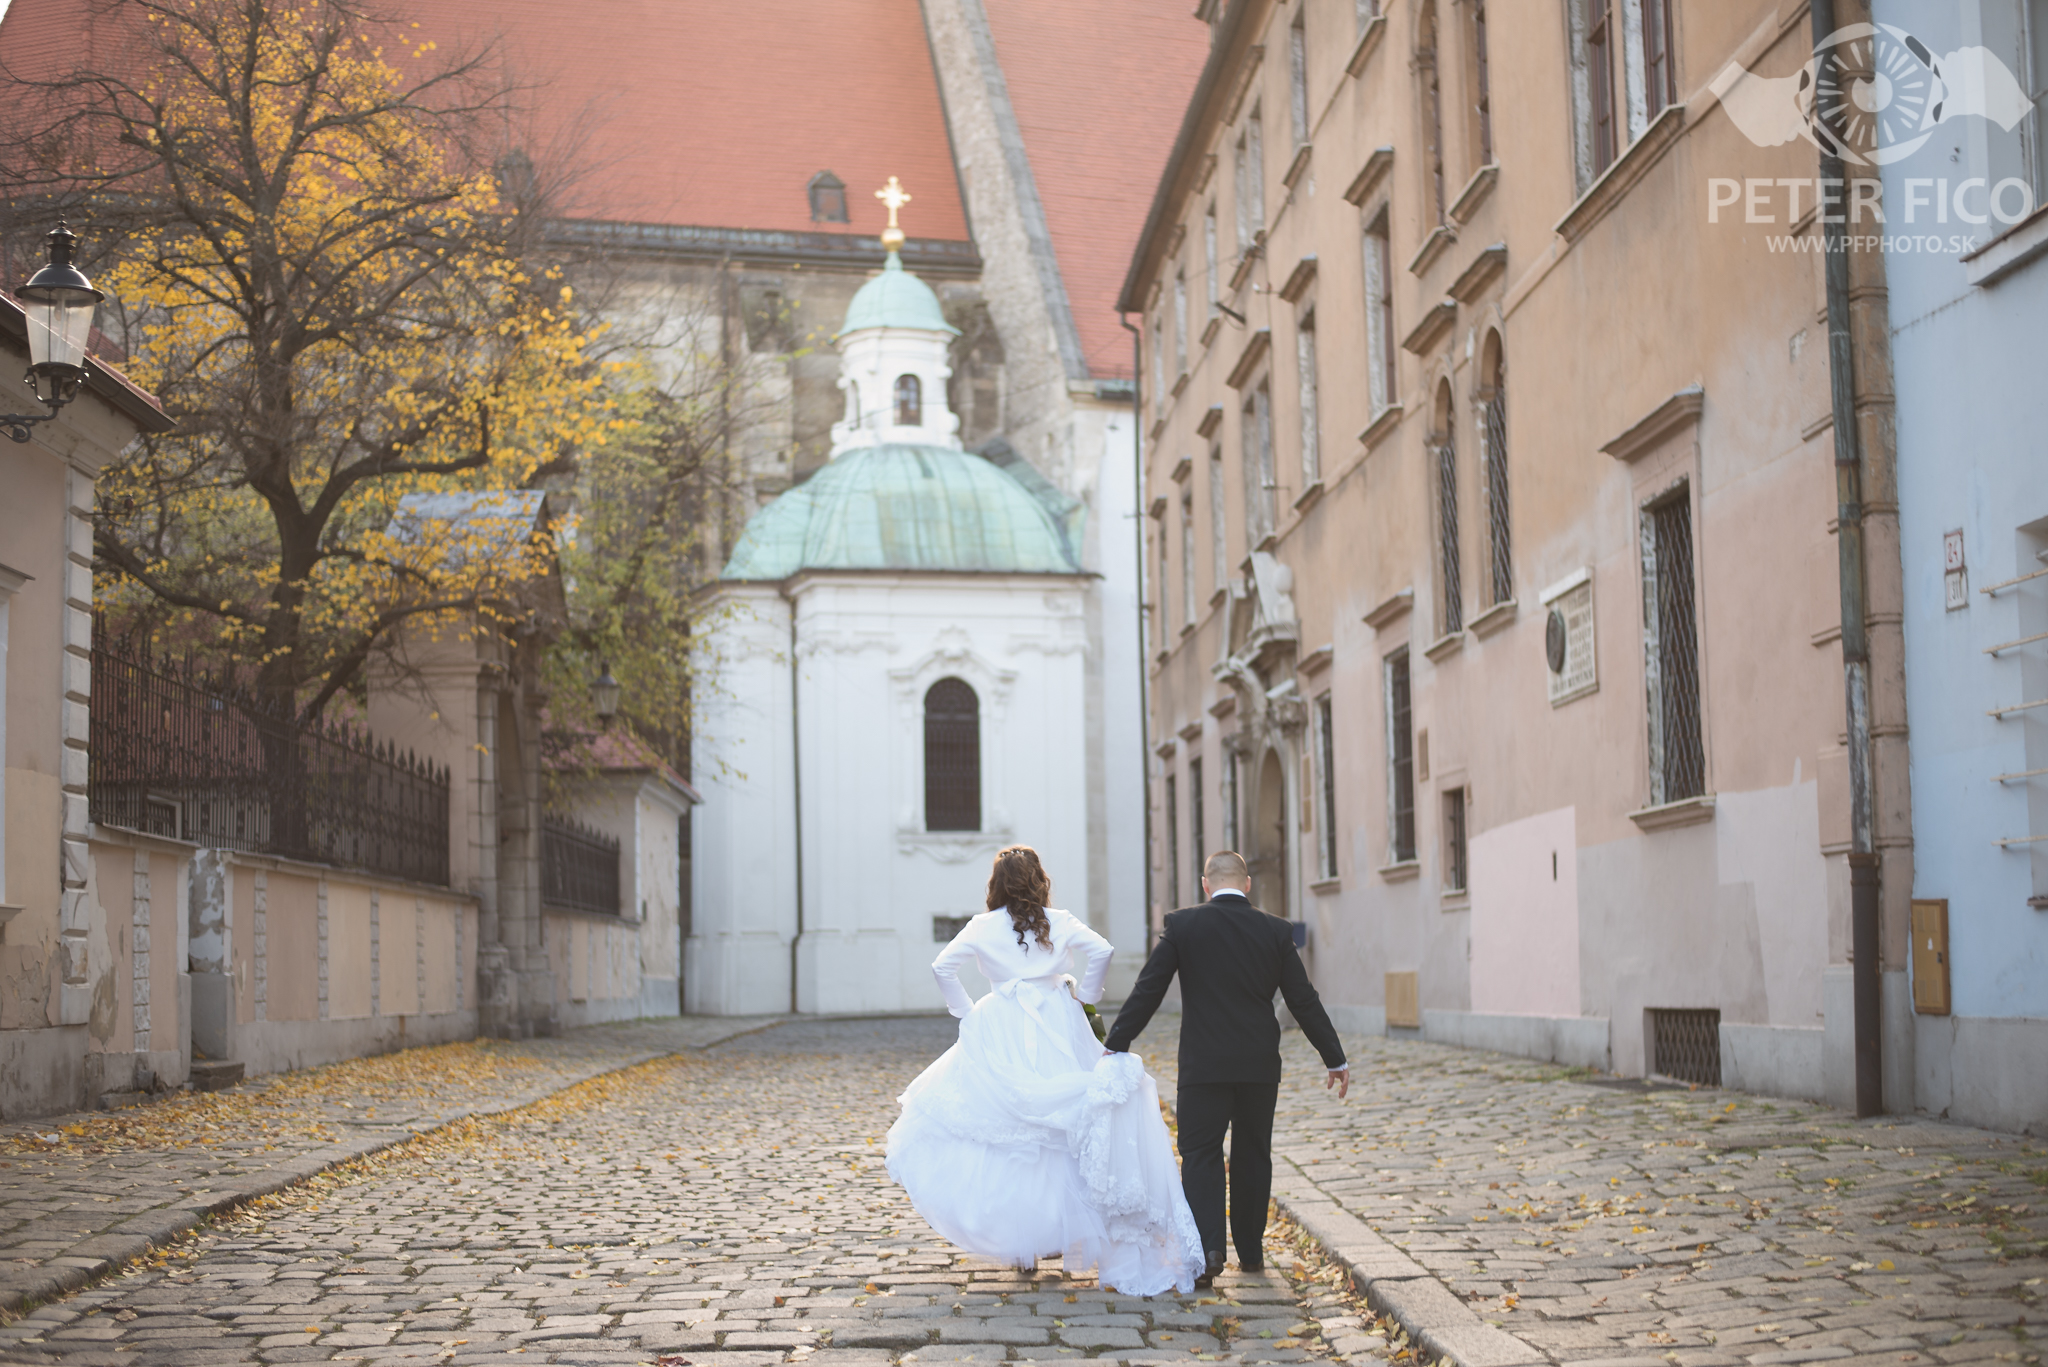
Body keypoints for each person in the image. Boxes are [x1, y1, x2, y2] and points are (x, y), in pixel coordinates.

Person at [886, 845, 1204, 1296]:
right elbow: (1104, 950)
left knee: (1012, 1127)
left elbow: (943, 967)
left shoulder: (982, 926)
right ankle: (1059, 1232)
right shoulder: (1060, 920)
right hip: (1059, 1021)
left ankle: (1025, 1245)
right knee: (1066, 1127)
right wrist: (1085, 996)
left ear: (995, 884)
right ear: (1039, 879)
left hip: (1001, 1023)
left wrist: (968, 1012)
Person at [1103, 849, 1348, 1287]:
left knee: (1200, 1155)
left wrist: (1116, 1042)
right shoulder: (1275, 931)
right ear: (1248, 884)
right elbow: (1302, 998)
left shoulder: (1184, 926)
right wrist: (1334, 1056)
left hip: (1203, 1066)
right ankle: (1252, 1254)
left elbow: (1149, 988)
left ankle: (1209, 1250)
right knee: (1254, 1153)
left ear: (1205, 884)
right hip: (1257, 1066)